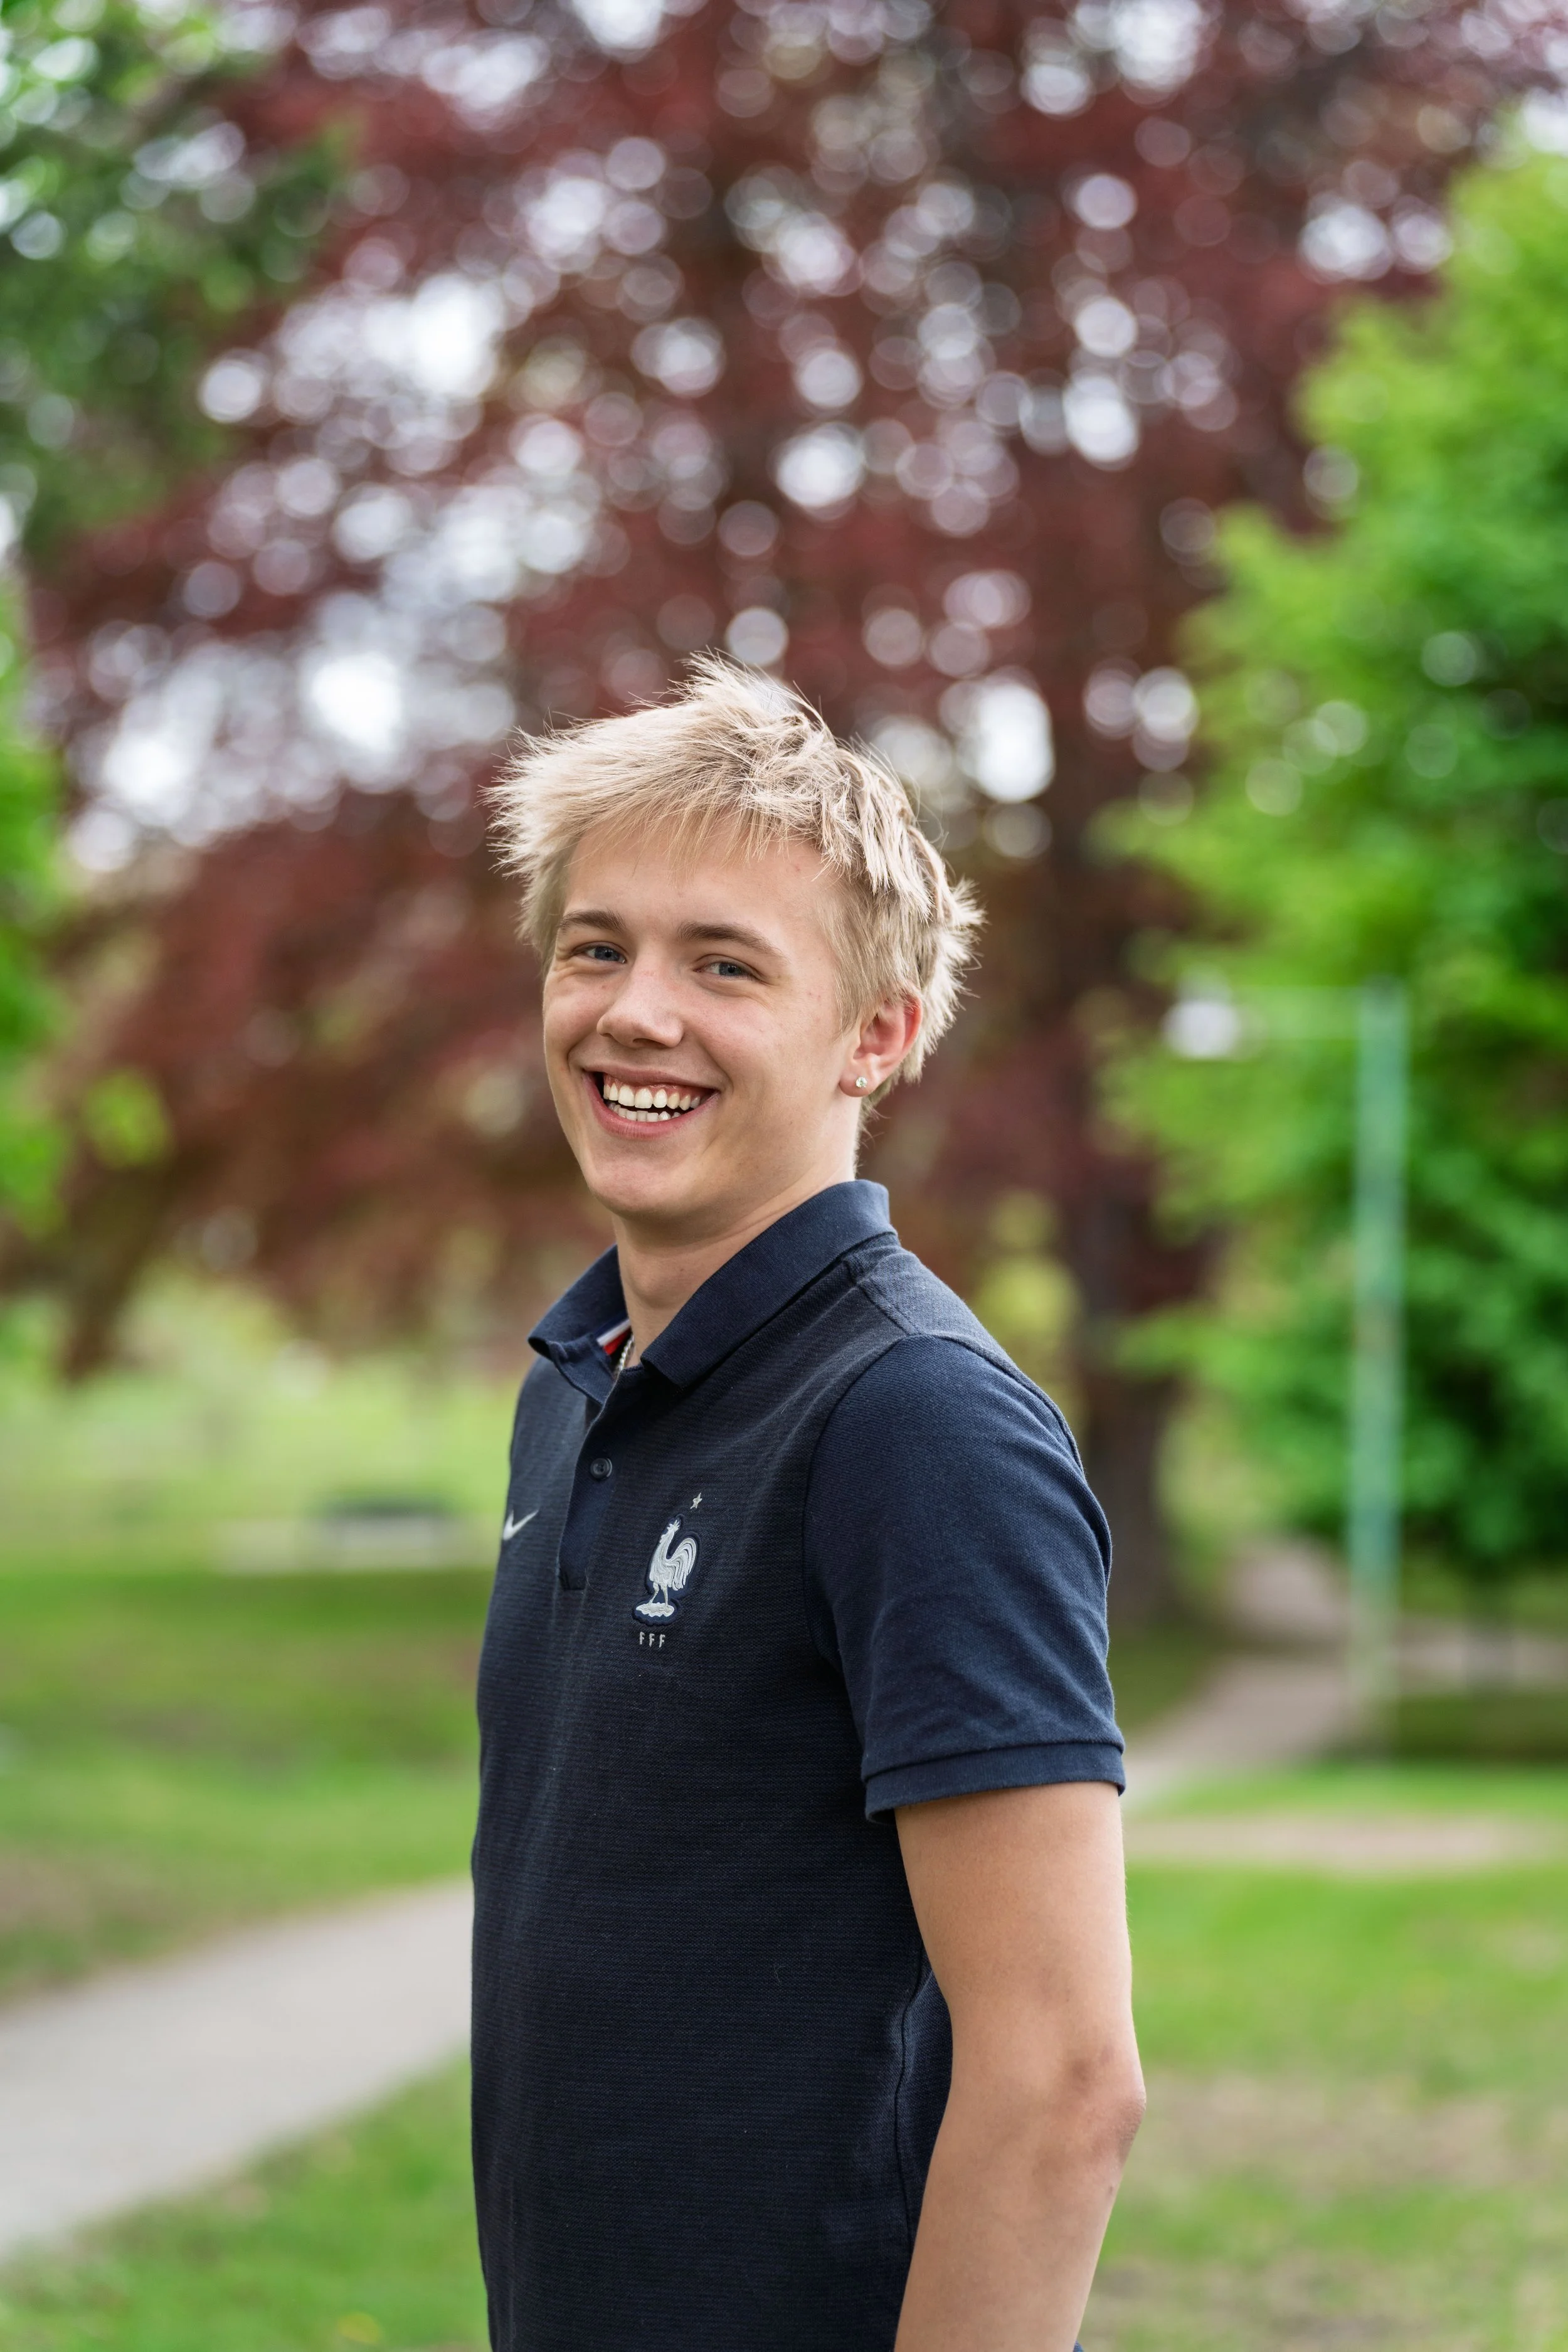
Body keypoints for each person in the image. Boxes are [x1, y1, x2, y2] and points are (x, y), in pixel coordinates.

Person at [472, 658, 1143, 2352]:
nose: (635, 1013)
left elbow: (1064, 2077)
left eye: (724, 965)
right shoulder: (577, 1385)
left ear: (879, 1031)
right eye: (596, 945)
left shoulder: (913, 1421)